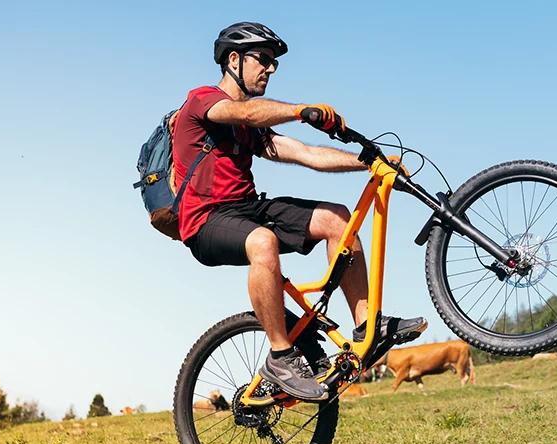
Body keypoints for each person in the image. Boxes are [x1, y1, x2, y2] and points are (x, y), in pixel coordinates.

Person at [172, 22, 426, 402]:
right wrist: (299, 110)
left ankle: (365, 327)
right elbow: (251, 113)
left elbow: (307, 154)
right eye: (264, 60)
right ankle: (279, 355)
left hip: (247, 208)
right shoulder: (204, 101)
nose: (271, 69)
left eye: (275, 63)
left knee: (337, 217)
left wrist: (368, 162)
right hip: (205, 220)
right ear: (234, 60)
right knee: (263, 241)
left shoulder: (250, 130)